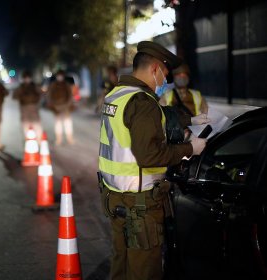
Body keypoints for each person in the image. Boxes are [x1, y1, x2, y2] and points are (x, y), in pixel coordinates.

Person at [98, 41, 210, 280]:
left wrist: (189, 120)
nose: (166, 82)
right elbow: (149, 155)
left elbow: (146, 123)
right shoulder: (142, 102)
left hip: (114, 195)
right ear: (155, 69)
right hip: (139, 204)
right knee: (144, 271)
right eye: (166, 75)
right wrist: (191, 147)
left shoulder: (117, 95)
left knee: (122, 264)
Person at [13, 70, 43, 141]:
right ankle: (28, 142)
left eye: (28, 77)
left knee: (37, 126)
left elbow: (41, 93)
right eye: (25, 78)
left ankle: (39, 142)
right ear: (23, 78)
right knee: (25, 127)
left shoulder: (34, 86)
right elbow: (14, 96)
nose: (27, 79)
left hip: (34, 108)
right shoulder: (21, 87)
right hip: (24, 109)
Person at [47, 69, 74, 145]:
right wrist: (52, 105)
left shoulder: (66, 85)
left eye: (61, 75)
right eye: (58, 75)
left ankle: (70, 139)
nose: (60, 77)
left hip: (65, 107)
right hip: (56, 107)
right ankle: (58, 139)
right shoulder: (53, 85)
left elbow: (70, 96)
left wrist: (68, 105)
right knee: (58, 124)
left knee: (67, 123)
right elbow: (49, 96)